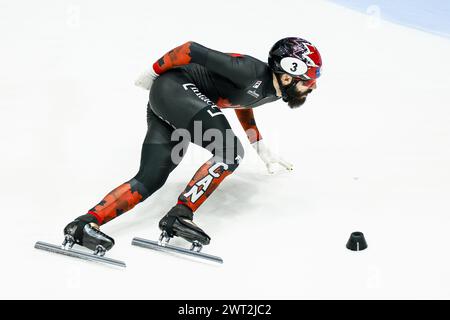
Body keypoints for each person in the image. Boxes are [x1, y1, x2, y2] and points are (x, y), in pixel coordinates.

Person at [62, 37, 323, 254]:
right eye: (309, 81)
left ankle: (84, 224)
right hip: (175, 90)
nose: (313, 87)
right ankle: (179, 215)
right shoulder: (249, 71)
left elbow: (242, 103)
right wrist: (152, 71)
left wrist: (259, 145)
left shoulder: (272, 90)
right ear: (288, 76)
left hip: (170, 101)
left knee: (150, 178)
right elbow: (191, 49)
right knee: (229, 152)